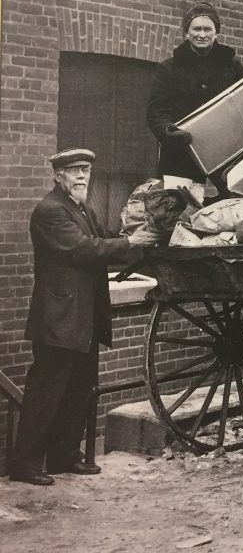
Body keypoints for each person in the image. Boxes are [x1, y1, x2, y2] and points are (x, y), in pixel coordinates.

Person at [10, 149, 160, 486]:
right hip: (58, 319)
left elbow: (103, 236)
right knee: (46, 393)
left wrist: (136, 231)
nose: (82, 177)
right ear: (58, 176)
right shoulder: (50, 211)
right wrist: (130, 243)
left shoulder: (82, 208)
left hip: (83, 319)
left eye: (86, 170)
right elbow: (83, 249)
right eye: (74, 171)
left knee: (78, 389)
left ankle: (64, 456)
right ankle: (25, 463)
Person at [146, 2, 243, 189]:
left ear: (216, 33)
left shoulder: (232, 67)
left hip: (227, 155)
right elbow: (156, 112)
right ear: (186, 33)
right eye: (196, 29)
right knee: (174, 208)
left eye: (207, 29)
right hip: (181, 156)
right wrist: (169, 131)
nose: (202, 34)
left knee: (233, 206)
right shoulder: (169, 69)